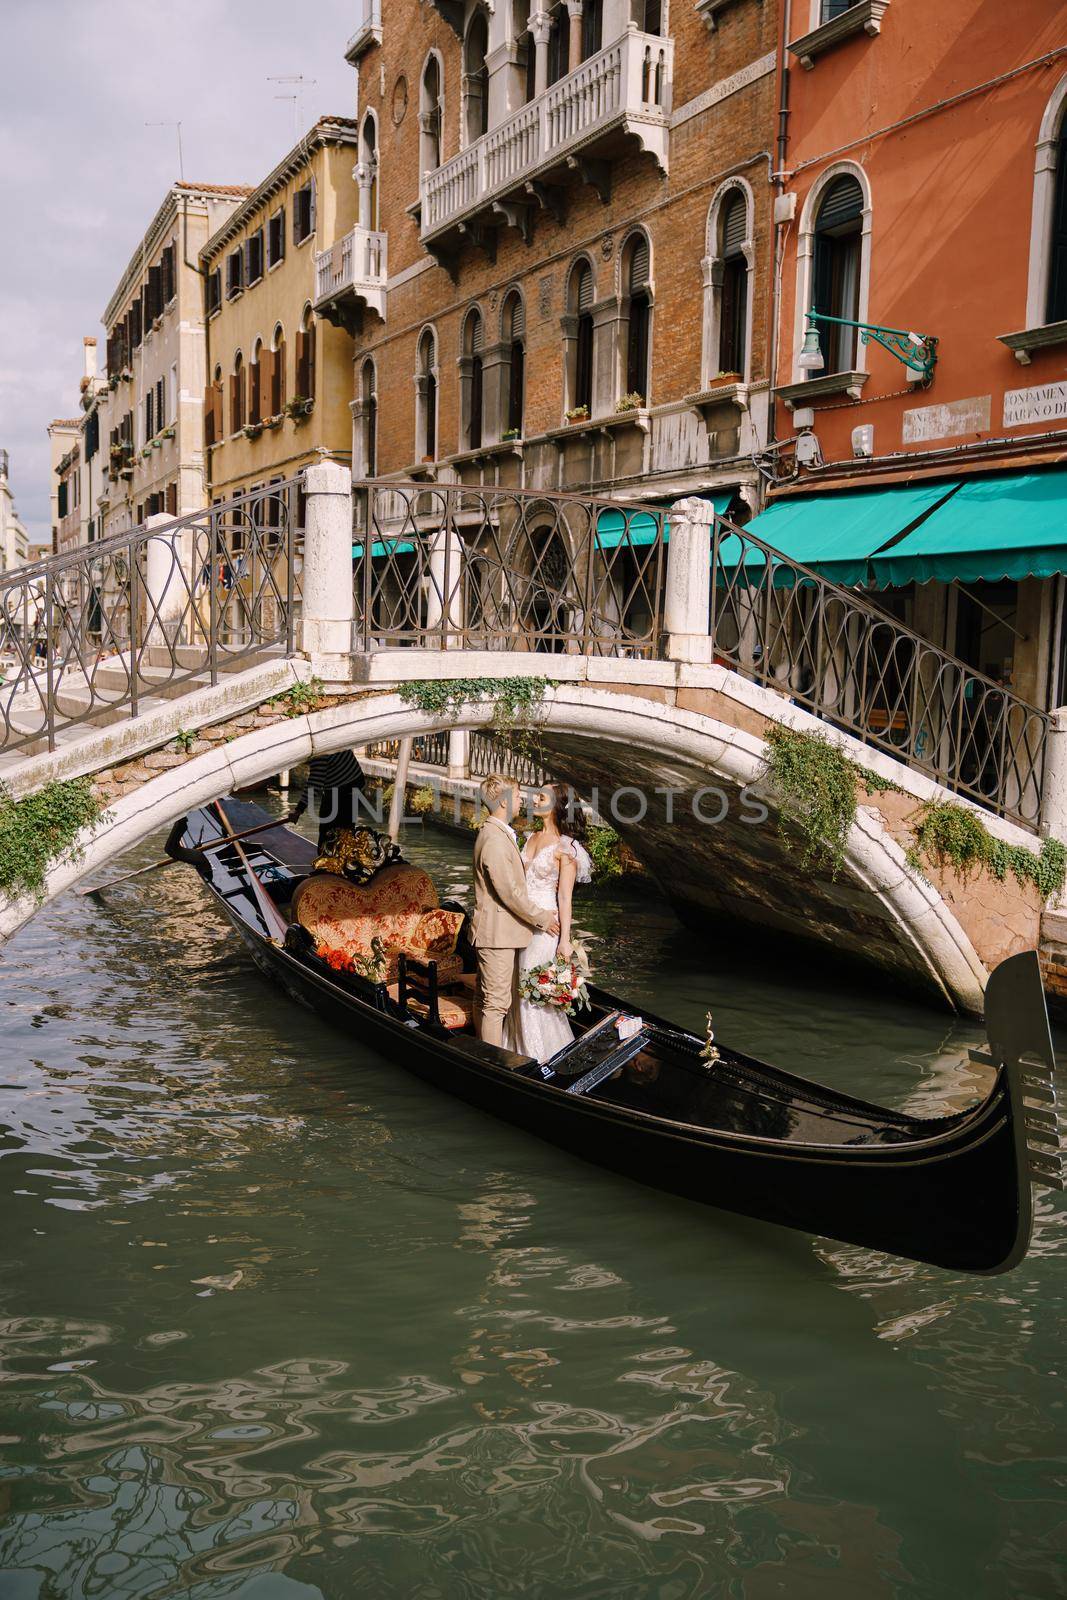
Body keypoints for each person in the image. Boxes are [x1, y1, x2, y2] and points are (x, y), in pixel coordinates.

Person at [471, 773, 560, 1049]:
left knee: (488, 999)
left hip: (500, 934)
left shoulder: (498, 834)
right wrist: (543, 917)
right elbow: (509, 893)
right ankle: (492, 1065)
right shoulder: (495, 840)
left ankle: (485, 1054)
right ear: (504, 800)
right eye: (518, 794)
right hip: (496, 935)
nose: (522, 799)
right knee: (496, 1005)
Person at [506, 783, 592, 1064]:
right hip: (520, 922)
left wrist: (565, 941)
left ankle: (540, 1058)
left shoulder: (565, 848)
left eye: (541, 797)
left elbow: (565, 898)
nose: (534, 800)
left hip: (545, 929)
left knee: (533, 991)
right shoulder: (530, 838)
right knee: (516, 990)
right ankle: (516, 1050)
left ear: (557, 806)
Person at [293, 748, 368, 850]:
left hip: (346, 786)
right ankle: (336, 854)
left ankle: (330, 856)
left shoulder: (318, 752)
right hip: (353, 781)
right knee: (341, 828)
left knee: (331, 828)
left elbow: (315, 783)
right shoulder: (320, 744)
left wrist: (298, 810)